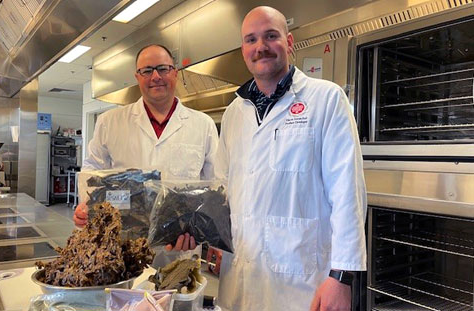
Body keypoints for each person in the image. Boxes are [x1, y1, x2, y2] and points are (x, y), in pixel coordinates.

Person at [214, 6, 367, 311]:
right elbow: (221, 189)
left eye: (271, 36)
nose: (261, 47)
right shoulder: (234, 112)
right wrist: (208, 242)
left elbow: (348, 193)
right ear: (244, 49)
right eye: (251, 39)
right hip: (240, 279)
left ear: (289, 41)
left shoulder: (326, 99)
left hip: (303, 284)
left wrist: (341, 277)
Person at [74, 44, 219, 245]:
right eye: (147, 71)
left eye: (163, 68)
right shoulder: (110, 122)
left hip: (180, 245)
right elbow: (93, 172)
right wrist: (85, 207)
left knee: (178, 277)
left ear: (175, 73)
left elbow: (213, 185)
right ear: (137, 77)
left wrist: (205, 230)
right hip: (122, 243)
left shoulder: (203, 124)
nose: (155, 77)